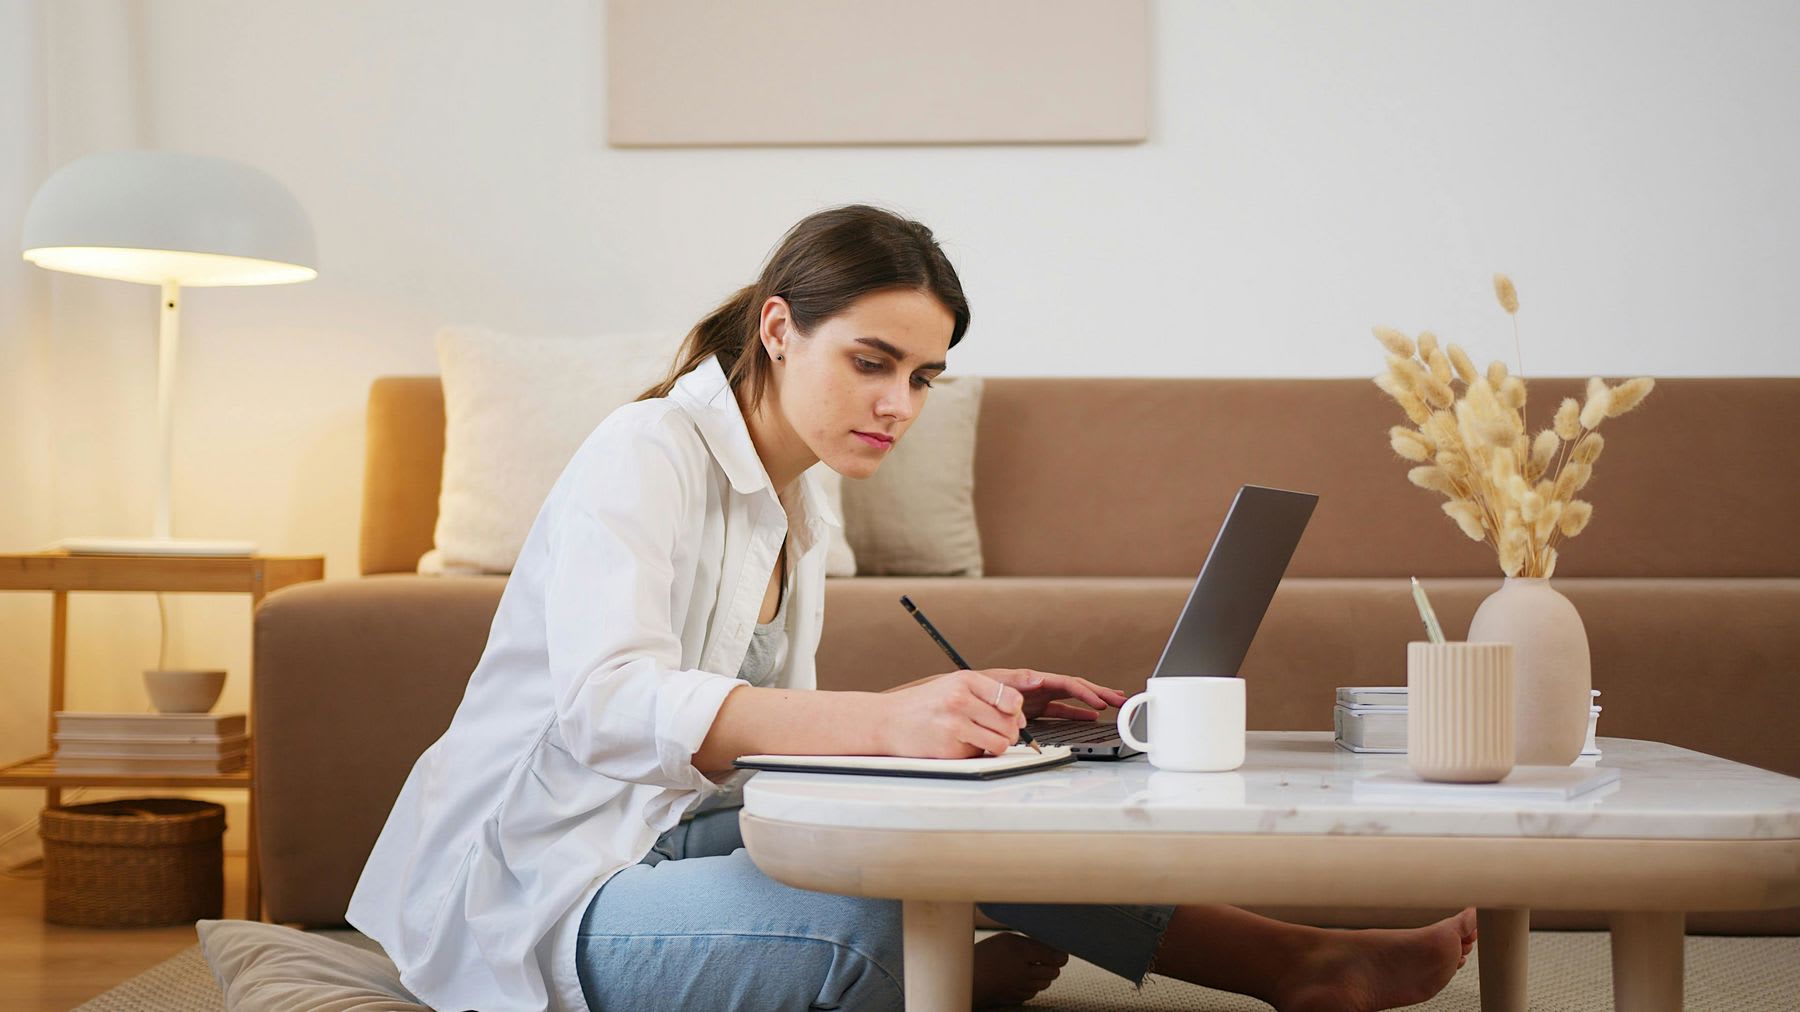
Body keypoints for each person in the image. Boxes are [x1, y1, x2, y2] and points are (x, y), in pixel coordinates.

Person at [348, 204, 1477, 1011]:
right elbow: (609, 706)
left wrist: (954, 718)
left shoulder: (801, 497)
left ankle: (1294, 962)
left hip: (659, 832)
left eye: (923, 377)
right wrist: (890, 721)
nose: (900, 404)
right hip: (538, 887)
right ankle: (940, 982)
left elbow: (756, 740)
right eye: (873, 362)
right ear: (781, 328)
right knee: (882, 921)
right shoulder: (645, 452)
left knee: (975, 816)